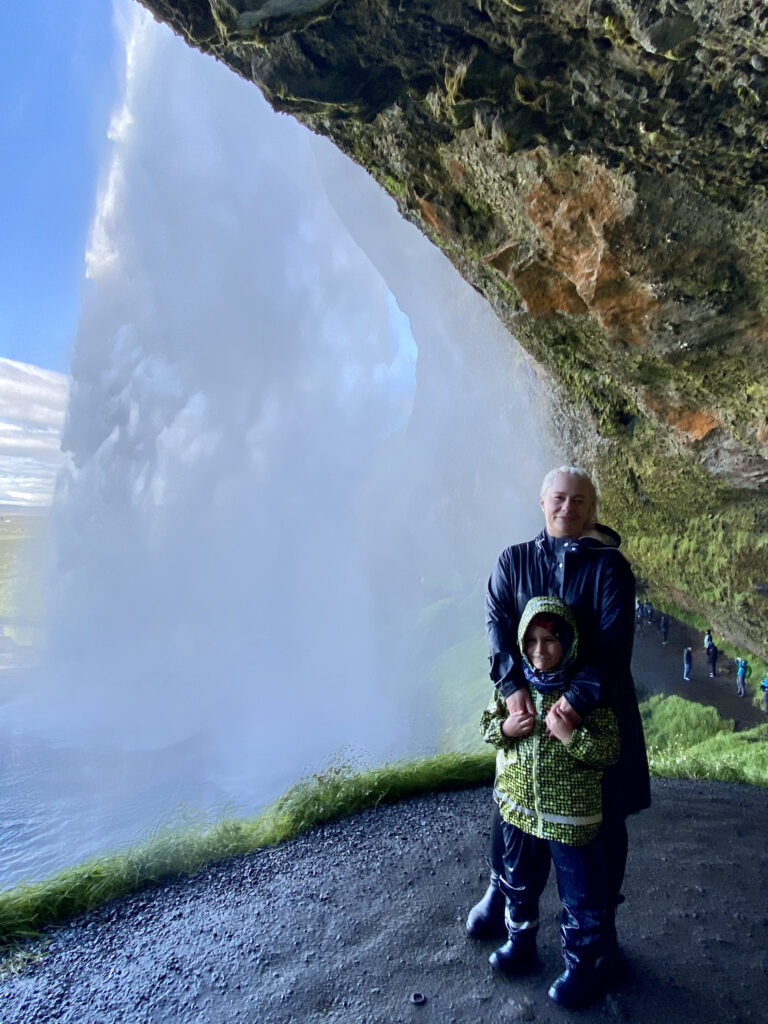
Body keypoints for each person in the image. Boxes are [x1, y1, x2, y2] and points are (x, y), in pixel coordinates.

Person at [466, 466, 650, 980]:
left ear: (593, 509)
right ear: (542, 502)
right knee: (512, 804)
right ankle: (503, 893)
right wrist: (512, 688)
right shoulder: (514, 560)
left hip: (596, 708)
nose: (568, 508)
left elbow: (614, 647)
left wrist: (574, 703)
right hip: (524, 705)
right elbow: (498, 624)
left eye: (579, 501)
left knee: (604, 814)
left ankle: (599, 930)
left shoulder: (611, 569)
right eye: (559, 499)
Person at [481, 595, 619, 1009]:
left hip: (571, 820)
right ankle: (519, 942)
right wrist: (506, 726)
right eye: (532, 641)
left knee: (580, 896)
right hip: (518, 812)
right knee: (518, 883)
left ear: (569, 642)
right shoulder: (514, 687)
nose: (540, 651)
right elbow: (487, 727)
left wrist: (571, 736)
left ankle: (581, 969)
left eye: (550, 640)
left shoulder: (584, 695)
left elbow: (610, 750)